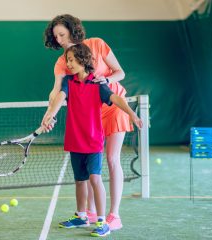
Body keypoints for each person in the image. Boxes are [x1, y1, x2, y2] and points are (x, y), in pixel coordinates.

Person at [42, 43, 142, 237]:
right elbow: (59, 98)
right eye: (67, 60)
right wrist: (50, 115)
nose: (68, 64)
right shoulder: (68, 82)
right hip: (74, 140)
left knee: (95, 179)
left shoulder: (98, 85)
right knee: (80, 181)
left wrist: (131, 113)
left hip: (94, 141)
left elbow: (117, 99)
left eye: (71, 60)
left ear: (83, 60)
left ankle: (102, 221)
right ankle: (81, 215)